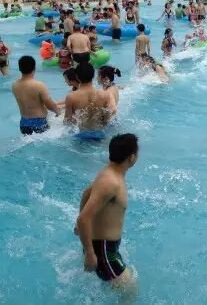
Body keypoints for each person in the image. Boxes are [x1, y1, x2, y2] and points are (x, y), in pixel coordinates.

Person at [75, 133, 139, 295]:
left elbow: (86, 193)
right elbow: (83, 219)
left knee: (122, 287)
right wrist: (90, 253)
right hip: (103, 251)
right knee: (130, 290)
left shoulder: (110, 172)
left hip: (105, 248)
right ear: (132, 157)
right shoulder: (110, 182)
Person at [64, 63, 116, 140]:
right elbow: (108, 117)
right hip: (100, 135)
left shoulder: (71, 97)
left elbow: (68, 121)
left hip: (81, 135)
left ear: (77, 77)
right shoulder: (105, 95)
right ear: (93, 76)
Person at [12, 56, 60, 135]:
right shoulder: (39, 85)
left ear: (20, 68)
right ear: (34, 68)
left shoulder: (14, 85)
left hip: (23, 123)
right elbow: (49, 104)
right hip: (39, 123)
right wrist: (58, 112)